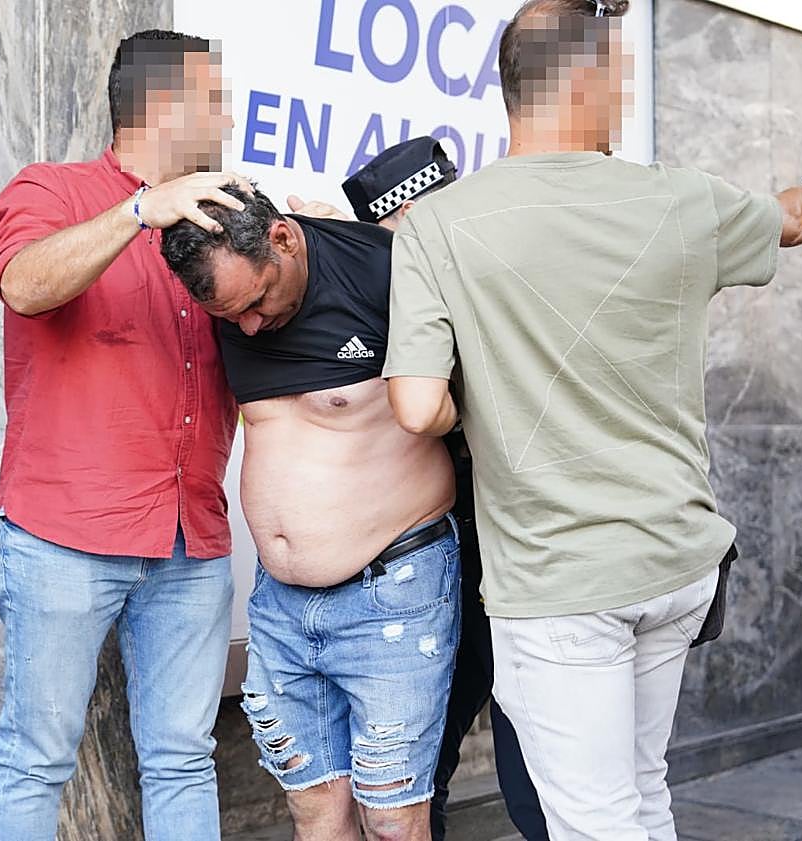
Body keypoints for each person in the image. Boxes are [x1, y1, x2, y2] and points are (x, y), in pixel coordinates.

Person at [383, 1, 802, 839]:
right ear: (586, 82)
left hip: (562, 583)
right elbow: (792, 218)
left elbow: (418, 404)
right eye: (618, 78)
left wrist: (489, 393)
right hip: (674, 564)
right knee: (642, 797)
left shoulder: (436, 227)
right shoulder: (677, 198)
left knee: (597, 821)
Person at [0, 29, 252, 841]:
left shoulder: (226, 216)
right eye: (216, 98)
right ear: (167, 106)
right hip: (64, 537)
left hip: (191, 541)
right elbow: (24, 285)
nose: (228, 115)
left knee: (182, 757)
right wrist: (139, 212)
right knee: (36, 756)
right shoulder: (51, 189)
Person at [161, 189, 461, 841]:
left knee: (393, 819)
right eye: (226, 314)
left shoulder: (386, 271)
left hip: (394, 593)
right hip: (281, 605)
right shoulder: (233, 294)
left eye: (255, 302)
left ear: (284, 238)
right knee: (316, 815)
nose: (244, 326)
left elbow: (482, 387)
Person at [342, 137, 550, 841]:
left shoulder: (507, 275)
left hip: (528, 550)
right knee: (418, 762)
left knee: (543, 766)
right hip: (444, 558)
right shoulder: (380, 299)